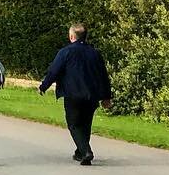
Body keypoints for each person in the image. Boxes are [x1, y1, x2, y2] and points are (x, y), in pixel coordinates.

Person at [39, 23, 113, 166]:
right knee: (85, 123)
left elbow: (54, 71)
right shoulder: (95, 53)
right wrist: (106, 96)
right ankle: (80, 152)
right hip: (92, 95)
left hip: (73, 93)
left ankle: (86, 151)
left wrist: (44, 86)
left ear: (72, 36)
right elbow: (103, 75)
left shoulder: (66, 52)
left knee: (74, 124)